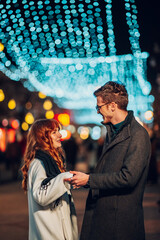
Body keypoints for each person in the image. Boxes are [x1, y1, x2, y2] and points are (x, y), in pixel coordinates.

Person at [65, 81, 151, 240]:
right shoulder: (112, 132)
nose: (97, 111)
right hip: (106, 217)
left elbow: (128, 178)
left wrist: (89, 180)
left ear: (112, 106)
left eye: (99, 106)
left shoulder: (138, 135)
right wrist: (84, 179)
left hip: (120, 223)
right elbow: (108, 171)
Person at [21, 119, 78, 240]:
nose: (60, 135)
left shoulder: (50, 160)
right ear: (43, 137)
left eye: (58, 131)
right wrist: (64, 178)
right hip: (48, 233)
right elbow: (41, 195)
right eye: (54, 132)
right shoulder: (39, 162)